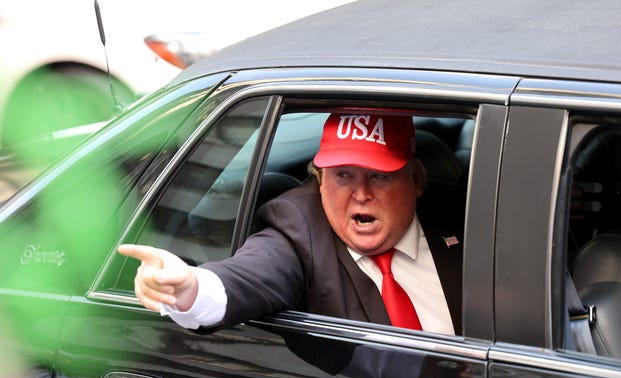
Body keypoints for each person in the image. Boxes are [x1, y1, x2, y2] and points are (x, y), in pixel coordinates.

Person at [118, 112, 463, 334]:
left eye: (378, 176)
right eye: (343, 175)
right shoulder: (296, 229)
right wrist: (189, 288)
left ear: (416, 181)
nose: (360, 193)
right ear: (320, 181)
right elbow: (253, 273)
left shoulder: (462, 214)